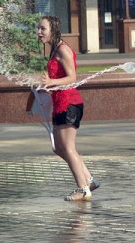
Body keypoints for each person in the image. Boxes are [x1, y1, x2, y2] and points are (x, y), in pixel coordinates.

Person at [38, 15, 99, 201]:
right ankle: (89, 179)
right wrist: (46, 86)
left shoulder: (63, 49)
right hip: (59, 103)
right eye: (38, 28)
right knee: (58, 148)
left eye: (43, 29)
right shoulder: (54, 49)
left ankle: (83, 189)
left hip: (69, 103)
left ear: (53, 30)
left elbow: (73, 77)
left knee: (68, 147)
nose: (39, 32)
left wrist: (51, 81)